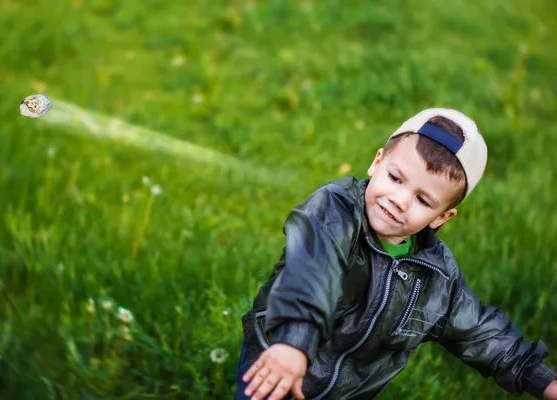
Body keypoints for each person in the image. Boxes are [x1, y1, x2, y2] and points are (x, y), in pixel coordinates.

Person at [233, 108, 557, 400]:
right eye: (395, 178)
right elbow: (310, 276)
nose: (399, 200)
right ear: (377, 162)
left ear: (442, 217)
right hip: (277, 360)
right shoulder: (336, 211)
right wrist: (294, 341)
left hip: (349, 392)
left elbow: (480, 332)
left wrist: (541, 380)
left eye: (423, 200)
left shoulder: (436, 276)